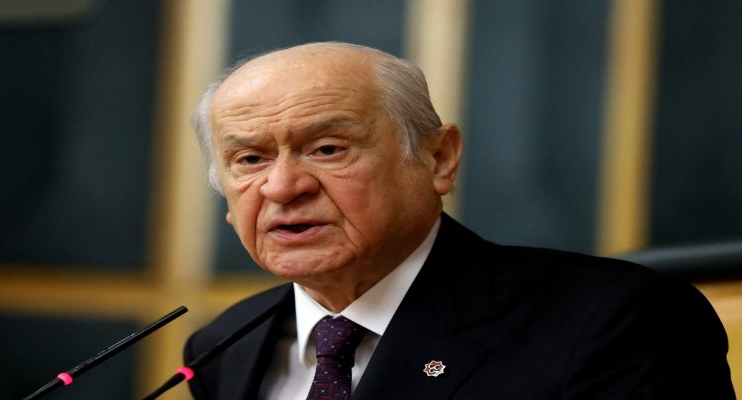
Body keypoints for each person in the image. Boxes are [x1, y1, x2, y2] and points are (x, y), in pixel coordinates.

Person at [183, 42, 734, 399]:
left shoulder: (617, 321)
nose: (282, 187)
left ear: (439, 159)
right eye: (249, 159)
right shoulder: (224, 346)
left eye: (327, 149)